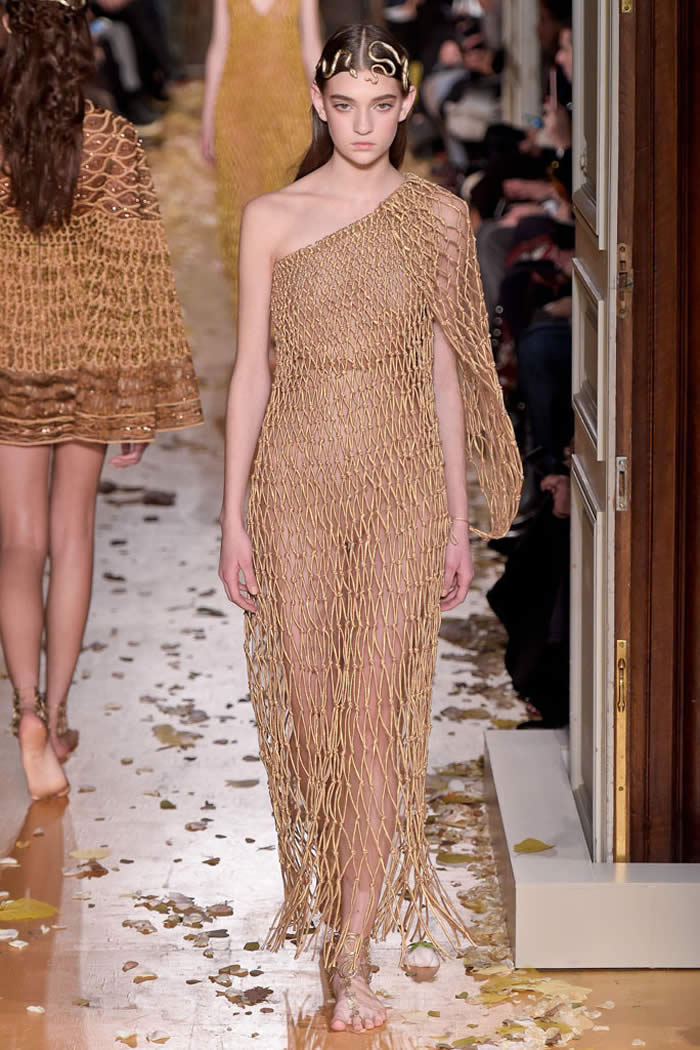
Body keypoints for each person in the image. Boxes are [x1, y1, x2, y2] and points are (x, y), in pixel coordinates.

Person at [218, 23, 522, 1034]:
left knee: (376, 719)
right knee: (311, 715)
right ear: (319, 103)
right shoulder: (271, 217)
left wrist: (456, 519)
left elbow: (445, 373)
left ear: (404, 110)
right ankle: (333, 897)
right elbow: (251, 370)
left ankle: (350, 950)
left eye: (379, 106)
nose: (361, 124)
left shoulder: (437, 218)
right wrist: (232, 515)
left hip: (400, 488)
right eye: (343, 105)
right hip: (295, 481)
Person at [0, 0, 203, 802]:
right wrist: (139, 396)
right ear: (78, 49)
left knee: (18, 541)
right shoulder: (112, 142)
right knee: (71, 537)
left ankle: (24, 711)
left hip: (10, 357)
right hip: (87, 361)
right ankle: (57, 714)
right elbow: (137, 277)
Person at [201, 0, 322, 293]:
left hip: (291, 112)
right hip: (236, 113)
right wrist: (207, 118)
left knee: (290, 210)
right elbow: (219, 47)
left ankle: (291, 308)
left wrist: (327, 108)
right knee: (240, 214)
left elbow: (311, 47)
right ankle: (250, 310)